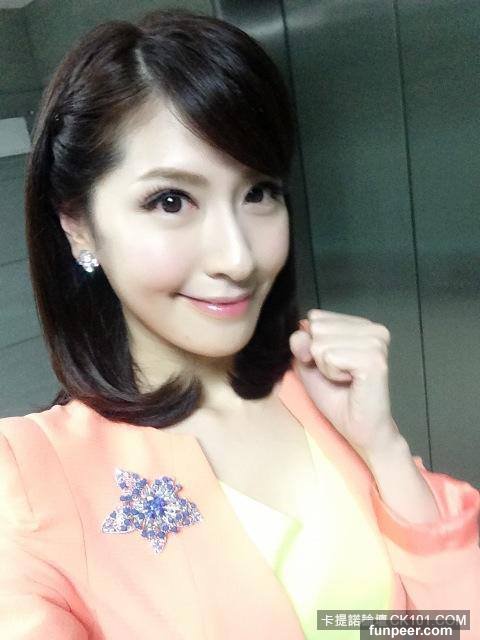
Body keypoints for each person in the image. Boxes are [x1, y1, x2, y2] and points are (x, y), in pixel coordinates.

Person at [0, 8, 478, 640]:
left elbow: (440, 623)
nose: (239, 257)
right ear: (79, 226)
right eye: (171, 200)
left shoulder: (314, 393)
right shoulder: (26, 477)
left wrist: (383, 449)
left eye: (258, 192)